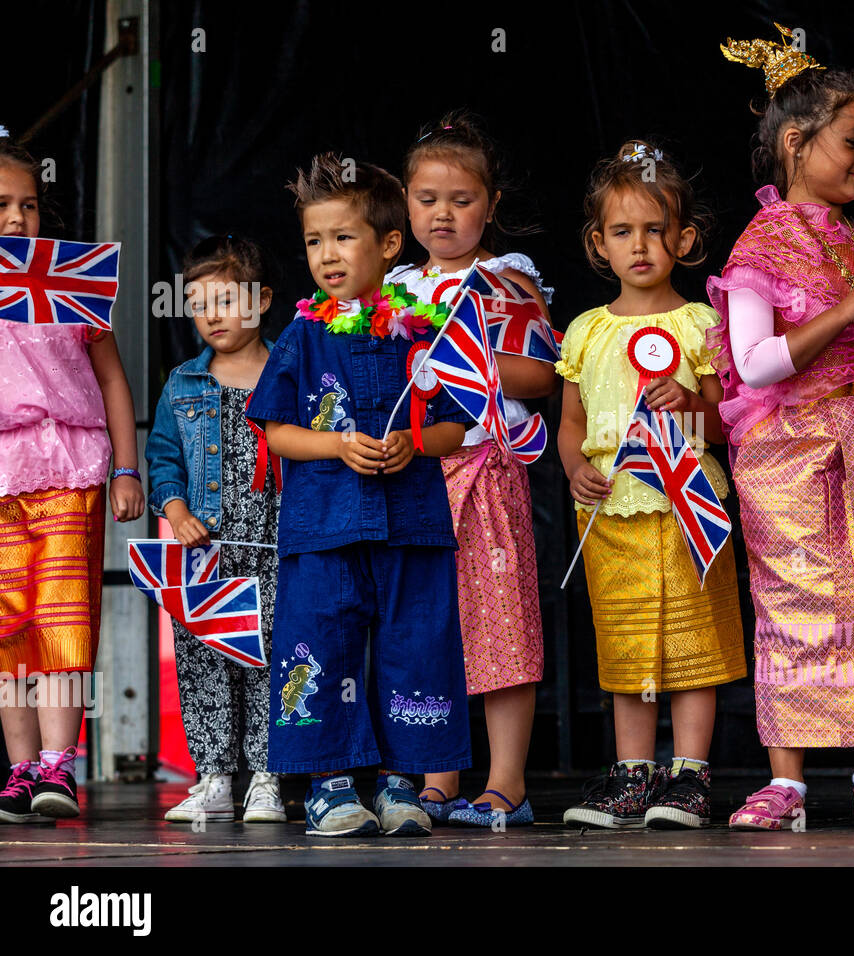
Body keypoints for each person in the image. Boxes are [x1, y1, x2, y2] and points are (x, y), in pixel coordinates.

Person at [710, 25, 854, 830]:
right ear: (797, 144)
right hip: (785, 447)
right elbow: (758, 361)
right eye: (851, 142)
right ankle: (790, 779)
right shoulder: (759, 244)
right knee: (793, 601)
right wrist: (848, 311)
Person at [246, 154, 473, 837]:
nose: (327, 255)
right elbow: (278, 432)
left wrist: (416, 443)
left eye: (343, 238)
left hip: (413, 523)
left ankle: (405, 783)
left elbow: (457, 424)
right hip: (323, 527)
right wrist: (338, 446)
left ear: (389, 245)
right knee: (319, 646)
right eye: (315, 241)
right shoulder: (301, 334)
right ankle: (330, 783)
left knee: (417, 645)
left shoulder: (424, 330)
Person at [557, 141, 746, 830]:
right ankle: (633, 774)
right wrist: (574, 465)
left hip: (688, 505)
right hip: (612, 514)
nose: (639, 246)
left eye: (655, 230)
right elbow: (570, 422)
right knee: (630, 642)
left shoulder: (701, 324)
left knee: (692, 643)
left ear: (685, 238)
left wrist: (690, 407)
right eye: (622, 232)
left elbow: (728, 423)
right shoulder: (584, 330)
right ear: (598, 243)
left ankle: (689, 777)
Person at [386, 113, 556, 827]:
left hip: (484, 464)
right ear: (406, 205)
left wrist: (469, 363)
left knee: (500, 624)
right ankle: (437, 777)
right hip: (413, 472)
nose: (443, 213)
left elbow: (543, 374)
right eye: (427, 199)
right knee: (428, 629)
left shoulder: (506, 280)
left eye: (460, 199)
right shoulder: (392, 286)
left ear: (489, 205)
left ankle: (508, 782)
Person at [0, 136, 145, 823]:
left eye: (28, 204)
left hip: (69, 468)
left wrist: (125, 467)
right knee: (7, 633)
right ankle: (20, 769)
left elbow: (113, 379)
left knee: (61, 619)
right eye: (1, 205)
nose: (17, 219)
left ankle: (59, 764)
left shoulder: (71, 281)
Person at [145, 235, 285, 824]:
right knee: (204, 656)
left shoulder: (288, 372)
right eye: (199, 305)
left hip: (276, 543)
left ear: (263, 299)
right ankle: (213, 778)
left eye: (226, 301)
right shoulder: (183, 383)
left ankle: (268, 778)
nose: (212, 317)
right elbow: (163, 459)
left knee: (272, 655)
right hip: (205, 552)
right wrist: (176, 513)